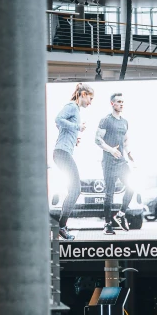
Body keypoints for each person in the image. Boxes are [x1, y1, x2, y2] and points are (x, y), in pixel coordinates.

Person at [53, 82, 94, 240]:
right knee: (75, 190)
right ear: (83, 95)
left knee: (74, 190)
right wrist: (77, 127)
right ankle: (61, 226)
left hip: (63, 151)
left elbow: (61, 125)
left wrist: (72, 138)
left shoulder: (75, 109)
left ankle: (61, 226)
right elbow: (58, 119)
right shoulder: (71, 106)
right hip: (61, 153)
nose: (91, 103)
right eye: (90, 98)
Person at [95, 92, 134, 235]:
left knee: (132, 186)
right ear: (112, 104)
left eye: (123, 101)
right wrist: (111, 150)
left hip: (122, 161)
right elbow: (97, 140)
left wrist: (129, 153)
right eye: (118, 101)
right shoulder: (105, 120)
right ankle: (107, 224)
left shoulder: (125, 122)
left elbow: (125, 140)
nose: (121, 104)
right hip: (109, 162)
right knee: (109, 194)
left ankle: (121, 214)